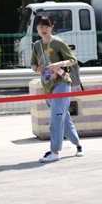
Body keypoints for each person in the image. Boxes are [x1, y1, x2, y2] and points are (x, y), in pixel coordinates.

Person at [30, 14, 82, 163]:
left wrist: (59, 64)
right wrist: (37, 68)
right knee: (63, 116)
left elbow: (73, 60)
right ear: (36, 28)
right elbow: (33, 64)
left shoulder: (58, 42)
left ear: (52, 27)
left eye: (46, 25)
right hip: (47, 85)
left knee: (56, 117)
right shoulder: (36, 45)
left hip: (62, 82)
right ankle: (78, 145)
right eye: (40, 26)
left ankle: (54, 151)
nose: (43, 29)